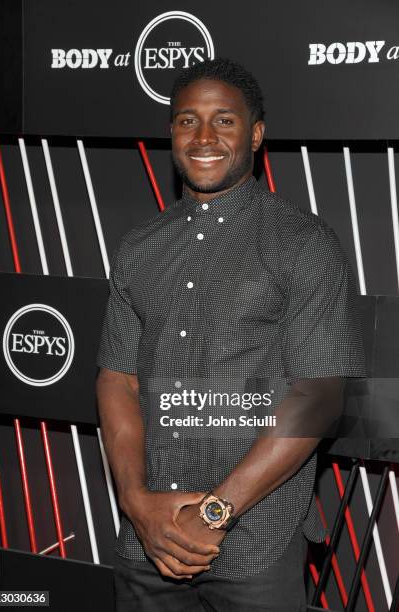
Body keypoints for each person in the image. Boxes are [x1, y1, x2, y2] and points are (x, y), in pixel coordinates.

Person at [96, 58, 366, 611]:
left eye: (224, 121)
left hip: (257, 547)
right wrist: (137, 504)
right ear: (171, 131)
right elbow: (117, 379)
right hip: (147, 544)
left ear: (256, 134)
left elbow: (318, 396)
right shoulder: (139, 247)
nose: (203, 136)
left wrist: (215, 513)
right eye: (186, 119)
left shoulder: (303, 243)